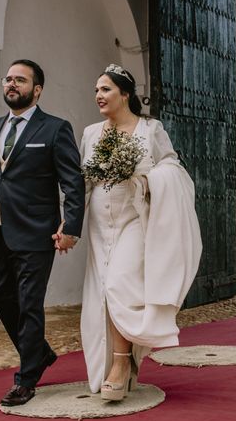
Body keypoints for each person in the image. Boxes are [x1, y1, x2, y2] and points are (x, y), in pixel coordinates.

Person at [69, 64, 201, 400]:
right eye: (96, 90)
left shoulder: (150, 129)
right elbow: (82, 185)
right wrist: (67, 225)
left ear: (124, 94)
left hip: (134, 219)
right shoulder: (90, 133)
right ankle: (117, 365)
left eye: (105, 89)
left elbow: (172, 167)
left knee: (119, 285)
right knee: (100, 295)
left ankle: (121, 364)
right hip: (100, 224)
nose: (98, 95)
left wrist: (146, 178)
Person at [0, 59, 85, 406]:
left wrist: (71, 227)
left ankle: (26, 378)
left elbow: (73, 183)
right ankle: (40, 353)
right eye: (8, 79)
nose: (11, 85)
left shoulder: (55, 129)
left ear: (37, 89)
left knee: (30, 304)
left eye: (20, 80)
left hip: (37, 233)